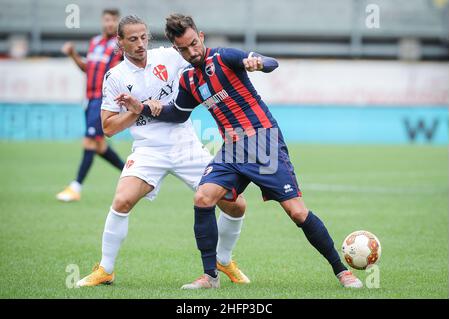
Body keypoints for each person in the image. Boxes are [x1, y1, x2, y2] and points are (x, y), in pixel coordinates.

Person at [118, 13, 363, 290]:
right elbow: (178, 114)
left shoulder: (225, 58)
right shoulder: (188, 79)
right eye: (183, 49)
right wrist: (143, 107)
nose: (191, 52)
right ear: (176, 49)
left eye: (193, 44)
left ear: (201, 37)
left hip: (263, 141)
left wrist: (258, 62)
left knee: (296, 213)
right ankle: (210, 277)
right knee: (203, 197)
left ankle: (342, 271)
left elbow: (270, 63)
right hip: (232, 149)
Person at [76, 15, 249, 287]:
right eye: (132, 39)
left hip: (186, 145)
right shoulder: (116, 77)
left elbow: (200, 57)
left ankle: (223, 260)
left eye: (143, 37)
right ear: (119, 42)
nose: (140, 44)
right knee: (121, 202)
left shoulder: (169, 56)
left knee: (236, 205)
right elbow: (108, 127)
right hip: (148, 150)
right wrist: (139, 109)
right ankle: (106, 269)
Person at [56, 9, 125, 202]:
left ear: (118, 23)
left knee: (89, 142)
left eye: (113, 20)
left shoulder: (118, 45)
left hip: (103, 99)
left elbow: (117, 72)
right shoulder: (94, 42)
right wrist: (72, 54)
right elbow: (88, 69)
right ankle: (131, 173)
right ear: (102, 21)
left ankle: (75, 187)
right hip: (89, 98)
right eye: (107, 20)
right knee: (100, 146)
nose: (110, 23)